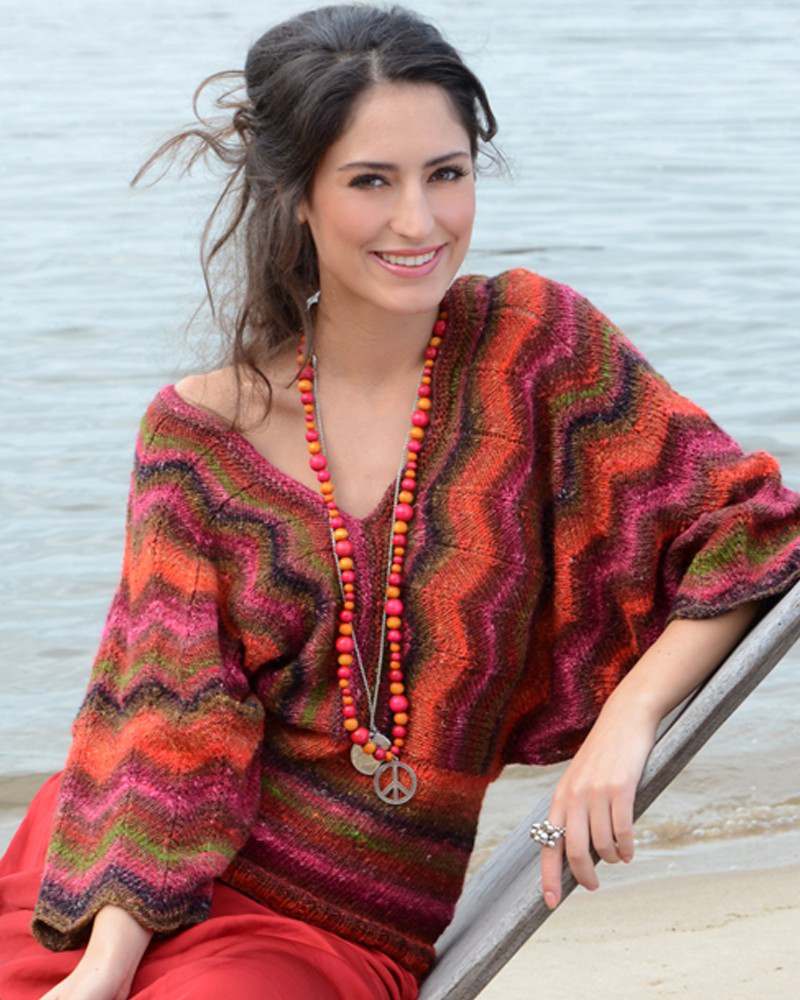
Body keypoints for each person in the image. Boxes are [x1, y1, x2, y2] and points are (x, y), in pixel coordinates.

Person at [2, 3, 800, 998]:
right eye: (370, 181)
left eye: (446, 174)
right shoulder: (198, 436)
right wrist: (105, 969)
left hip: (329, 930)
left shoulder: (534, 348)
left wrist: (628, 719)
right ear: (295, 195)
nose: (419, 222)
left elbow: (748, 534)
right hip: (111, 890)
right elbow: (167, 719)